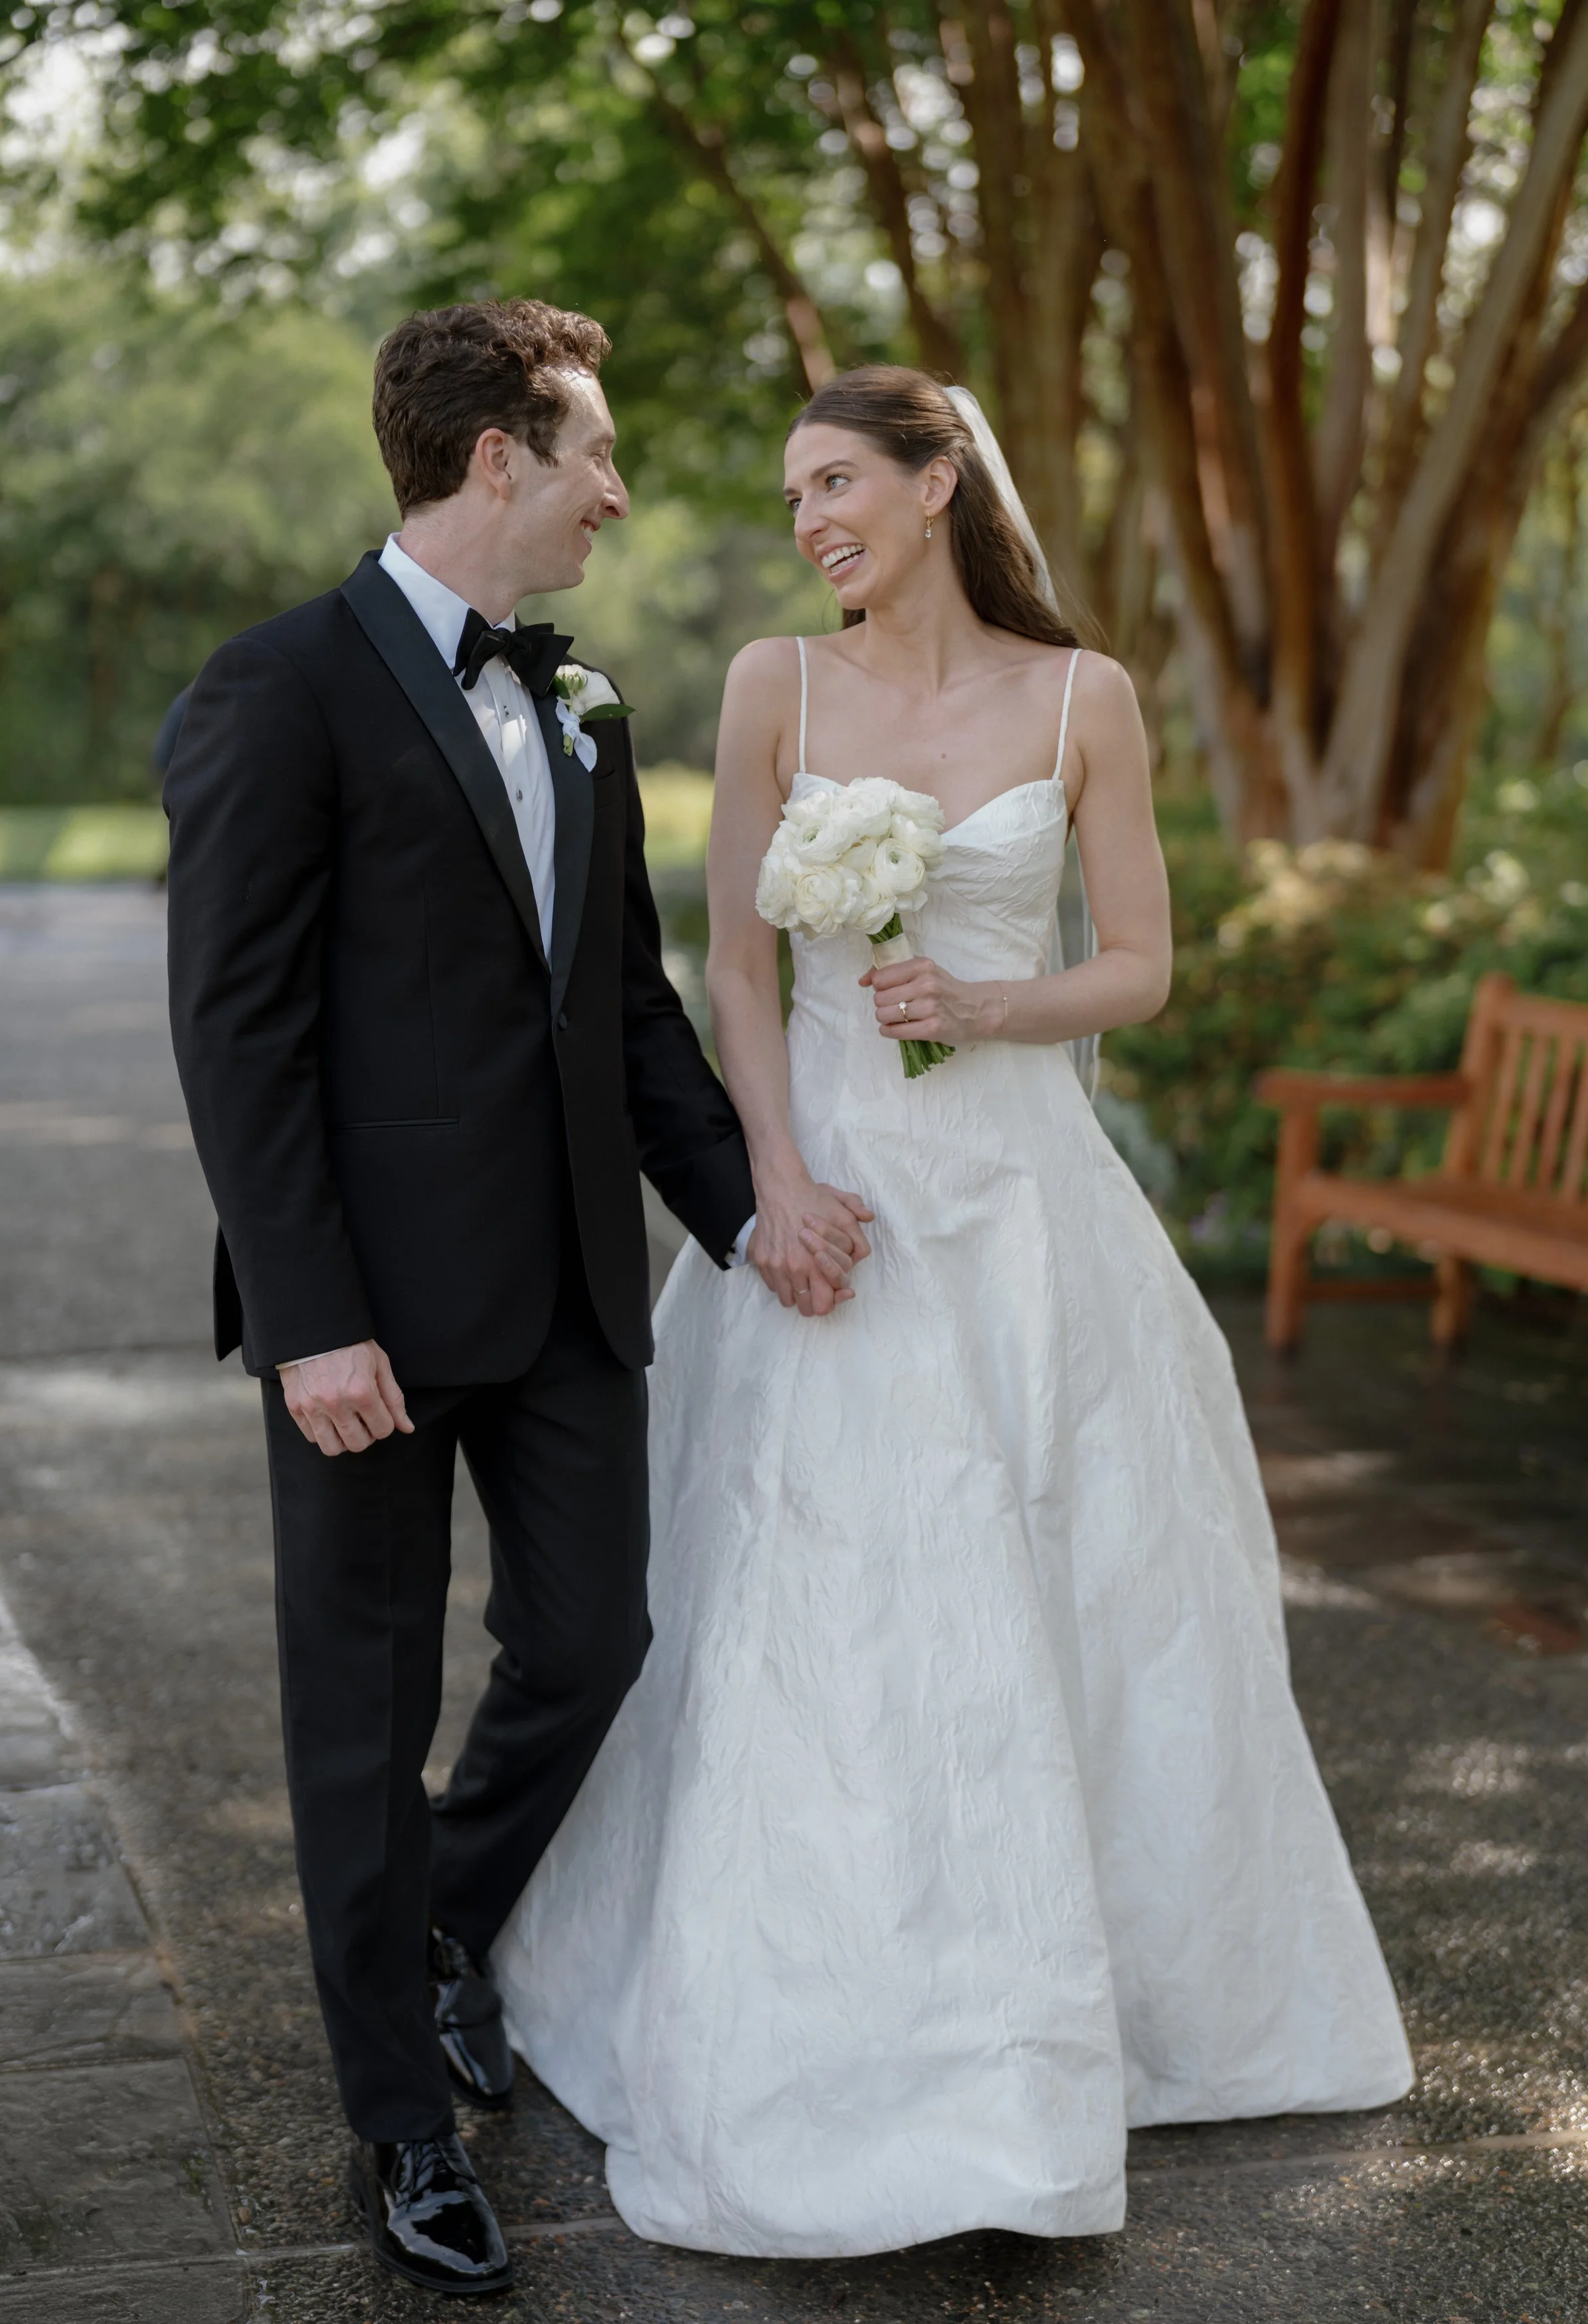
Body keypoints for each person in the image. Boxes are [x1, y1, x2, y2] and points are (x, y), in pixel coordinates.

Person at [494, 365, 1415, 2257]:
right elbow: (732, 968)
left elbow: (1142, 964)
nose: (810, 516)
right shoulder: (777, 685)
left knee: (1080, 1587)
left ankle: (1064, 2021)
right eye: (792, 493)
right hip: (831, 1192)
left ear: (935, 484)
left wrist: (987, 1009)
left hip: (1024, 1209)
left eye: (836, 480)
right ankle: (835, 2010)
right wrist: (771, 1186)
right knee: (826, 1589)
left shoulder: (1083, 699)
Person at [163, 300, 870, 2297]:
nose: (617, 494)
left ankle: (445, 1928)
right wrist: (307, 1320)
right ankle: (398, 2123)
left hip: (567, 1292)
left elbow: (622, 1012)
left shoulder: (585, 703)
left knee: (596, 1640)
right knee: (357, 1722)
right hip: (363, 1326)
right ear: (499, 459)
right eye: (595, 456)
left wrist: (747, 1216)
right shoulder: (274, 691)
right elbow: (238, 1043)